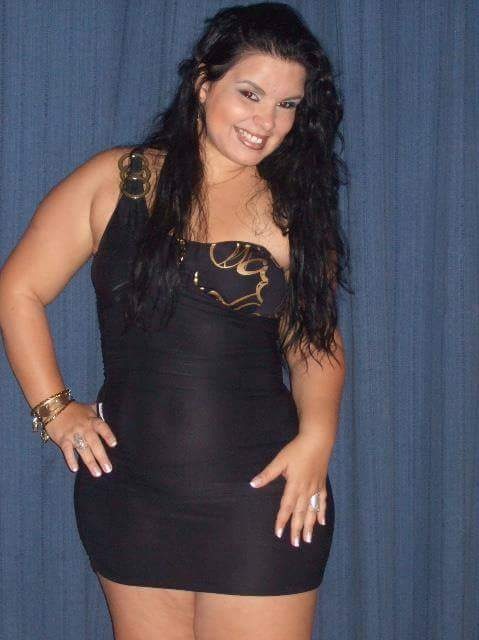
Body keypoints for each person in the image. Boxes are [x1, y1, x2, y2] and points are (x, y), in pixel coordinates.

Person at [0, 3, 352, 639]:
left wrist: (318, 438)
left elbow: (314, 344)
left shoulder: (294, 209)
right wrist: (54, 409)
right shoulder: (116, 179)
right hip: (131, 496)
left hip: (261, 498)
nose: (266, 121)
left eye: (287, 105)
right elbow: (18, 289)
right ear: (204, 83)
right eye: (251, 94)